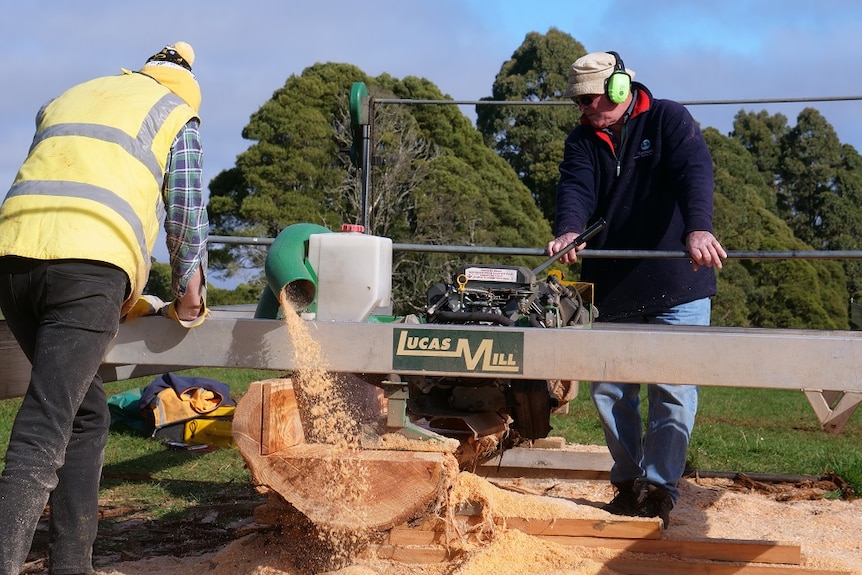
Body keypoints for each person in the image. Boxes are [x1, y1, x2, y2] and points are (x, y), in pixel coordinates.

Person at [0, 42, 209, 574]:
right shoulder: (175, 114)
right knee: (46, 422)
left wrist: (126, 300)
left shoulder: (72, 97)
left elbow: (65, 190)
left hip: (15, 259)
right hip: (91, 268)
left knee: (85, 413)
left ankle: (72, 564)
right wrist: (189, 298)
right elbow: (185, 211)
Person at [547, 51, 727, 528]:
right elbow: (576, 188)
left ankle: (660, 488)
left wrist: (698, 230)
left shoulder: (669, 119)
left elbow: (694, 171)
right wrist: (569, 229)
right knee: (609, 390)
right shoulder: (583, 140)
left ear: (621, 89)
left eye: (590, 99)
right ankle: (628, 483)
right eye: (579, 102)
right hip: (615, 285)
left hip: (678, 282)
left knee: (672, 388)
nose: (584, 109)